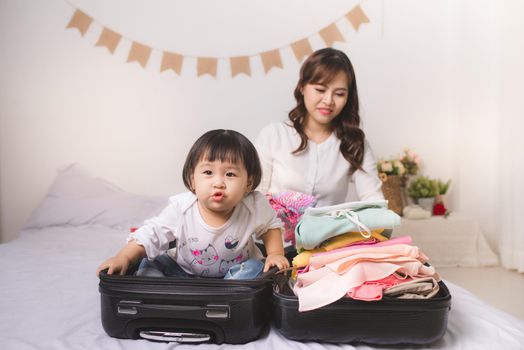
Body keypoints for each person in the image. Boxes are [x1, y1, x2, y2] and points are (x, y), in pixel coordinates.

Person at [96, 129, 289, 279]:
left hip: (235, 276)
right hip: (183, 273)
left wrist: (275, 254)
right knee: (152, 262)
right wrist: (123, 257)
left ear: (248, 182)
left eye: (230, 174)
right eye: (208, 173)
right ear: (192, 180)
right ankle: (161, 290)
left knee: (257, 268)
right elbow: (151, 234)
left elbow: (270, 226)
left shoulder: (254, 205)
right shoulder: (182, 208)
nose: (218, 183)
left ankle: (230, 292)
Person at [256, 48, 384, 207]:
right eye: (320, 90)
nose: (328, 101)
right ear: (302, 87)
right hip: (275, 231)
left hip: (331, 232)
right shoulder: (273, 136)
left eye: (339, 94)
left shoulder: (355, 144)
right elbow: (255, 199)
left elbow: (374, 201)